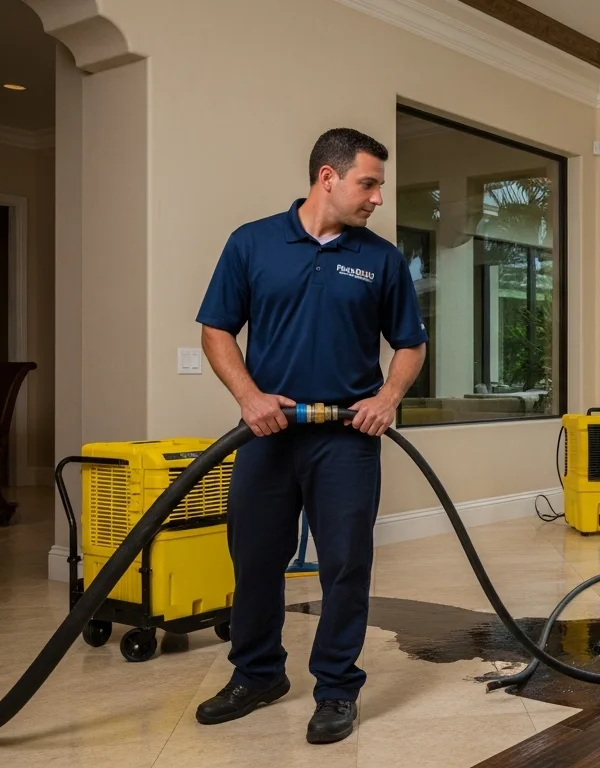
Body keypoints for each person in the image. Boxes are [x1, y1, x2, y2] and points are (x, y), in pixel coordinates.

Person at [192, 127, 427, 745]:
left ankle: (337, 690)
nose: (377, 197)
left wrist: (387, 397)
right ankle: (257, 674)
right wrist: (248, 397)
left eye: (379, 185)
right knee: (255, 559)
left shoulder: (380, 258)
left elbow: (410, 343)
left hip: (347, 436)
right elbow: (216, 330)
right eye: (368, 183)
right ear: (328, 176)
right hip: (265, 433)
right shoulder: (253, 243)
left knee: (346, 564)